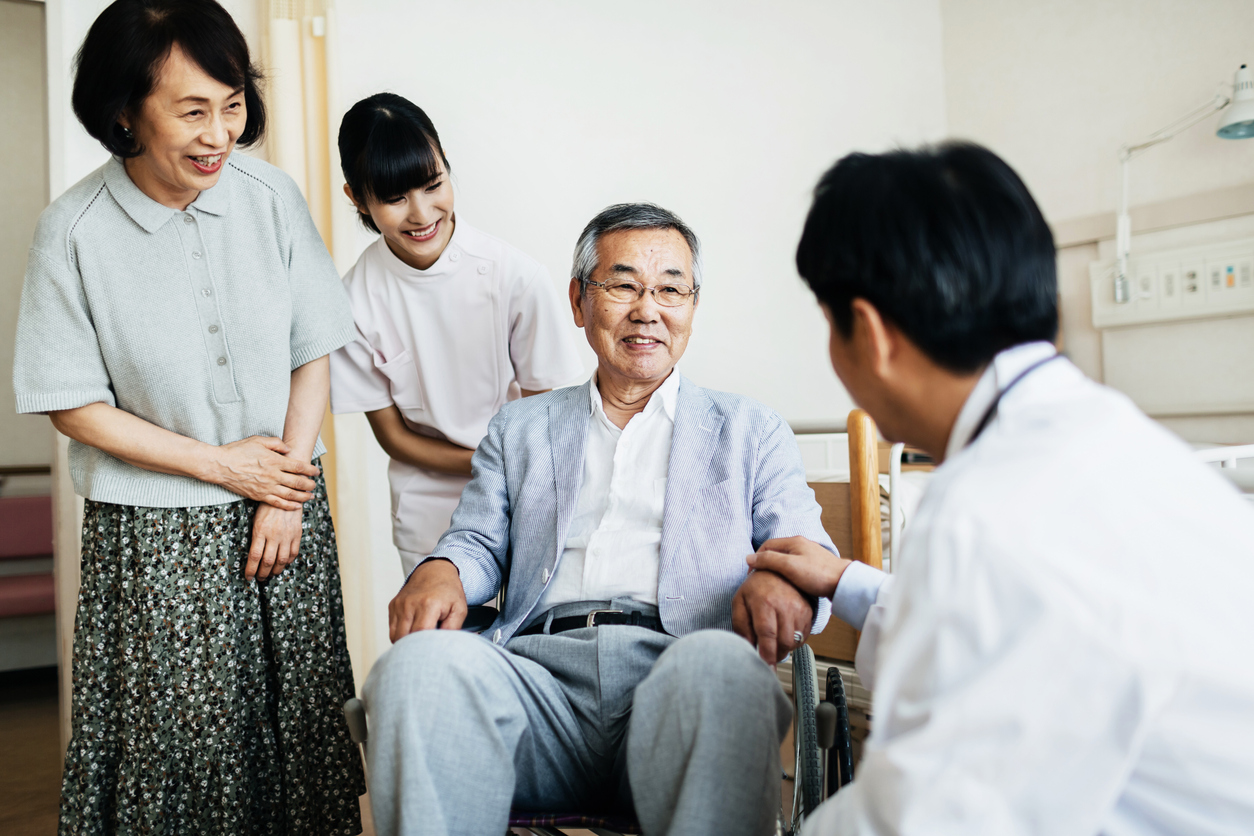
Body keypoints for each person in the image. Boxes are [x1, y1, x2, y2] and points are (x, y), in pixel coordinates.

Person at [746, 142, 1254, 834]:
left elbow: (924, 821)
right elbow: (1004, 630)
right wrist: (845, 580)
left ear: (870, 333)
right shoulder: (1102, 437)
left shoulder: (986, 512)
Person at [363, 203, 835, 836]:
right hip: (537, 684)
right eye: (622, 285)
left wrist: (784, 579)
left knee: (725, 670)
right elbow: (477, 538)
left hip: (676, 673)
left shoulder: (749, 428)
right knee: (413, 670)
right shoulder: (521, 427)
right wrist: (443, 568)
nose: (648, 309)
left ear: (693, 307)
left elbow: (802, 547)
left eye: (671, 289)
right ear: (579, 301)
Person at [11, 0, 365, 832]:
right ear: (124, 110)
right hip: (155, 534)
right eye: (193, 110)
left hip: (283, 515)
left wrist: (283, 489)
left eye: (233, 104)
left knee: (300, 741)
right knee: (180, 767)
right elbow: (71, 404)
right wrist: (220, 466)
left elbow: (312, 346)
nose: (219, 135)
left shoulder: (271, 195)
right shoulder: (73, 232)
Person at [329, 93, 584, 576]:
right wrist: (488, 463)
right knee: (445, 648)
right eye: (394, 198)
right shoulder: (351, 303)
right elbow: (394, 437)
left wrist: (508, 474)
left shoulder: (515, 278)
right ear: (356, 198)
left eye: (432, 185)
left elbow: (545, 418)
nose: (422, 214)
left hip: (526, 494)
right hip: (430, 514)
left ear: (447, 166)